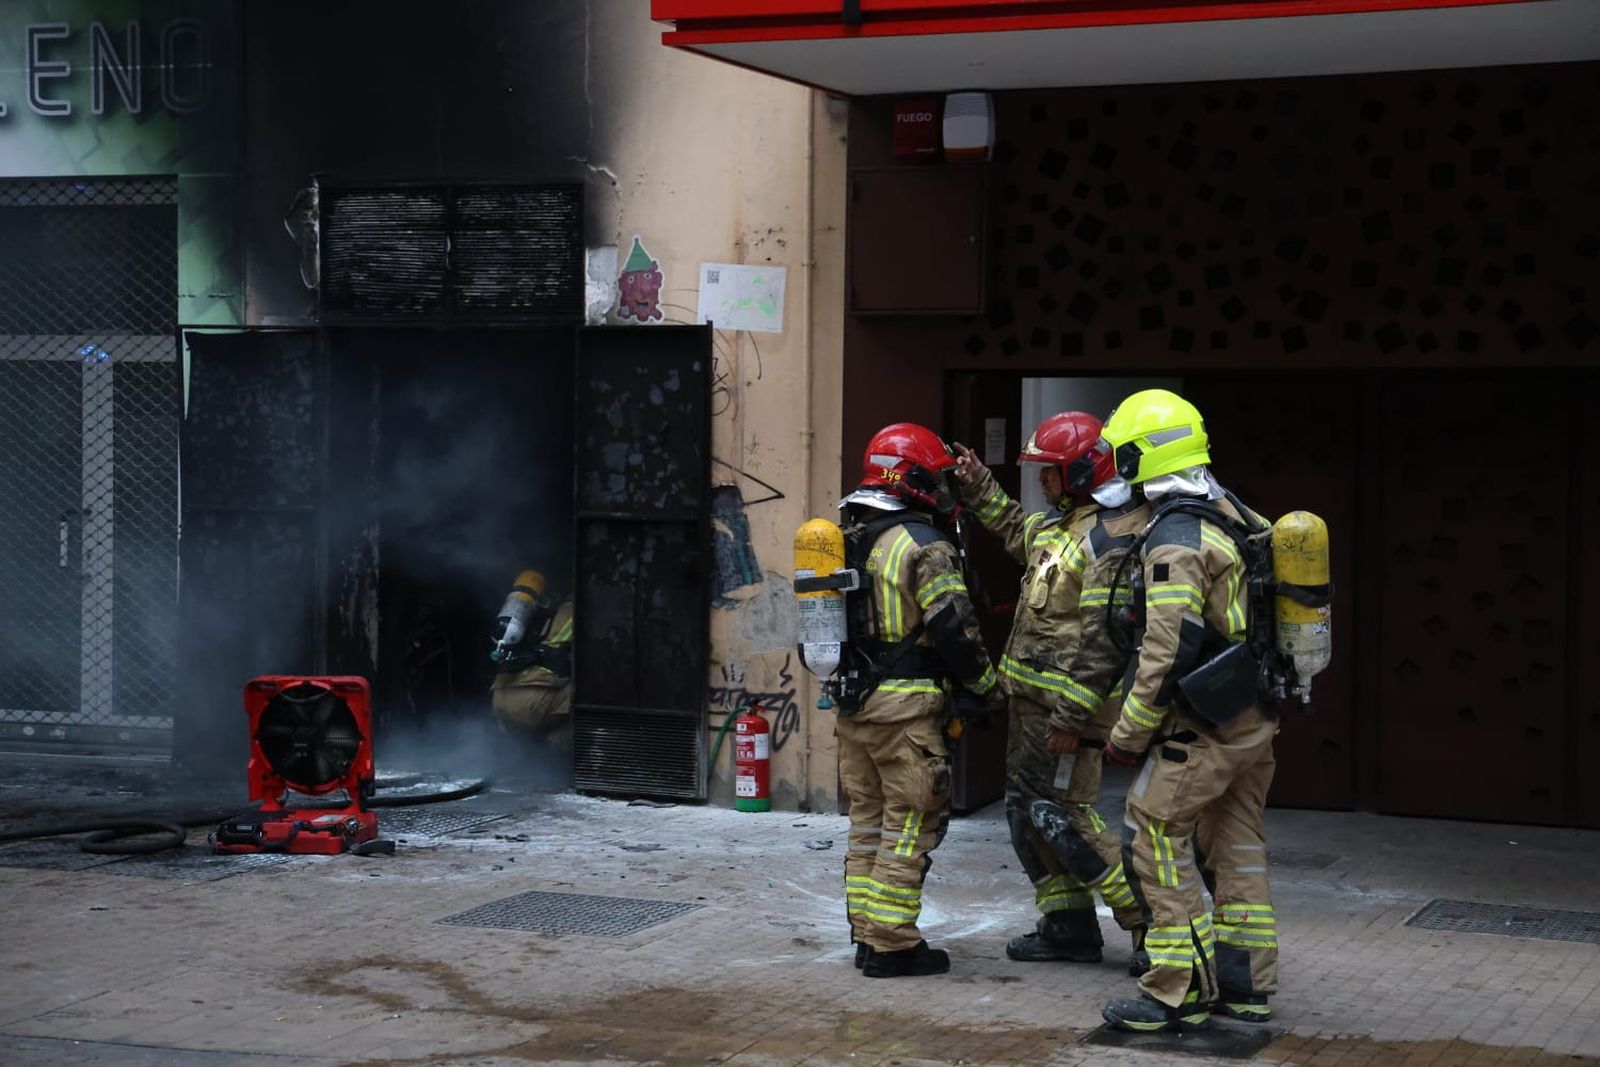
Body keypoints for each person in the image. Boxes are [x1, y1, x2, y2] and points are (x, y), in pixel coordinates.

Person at [1088, 389, 1280, 1033]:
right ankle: (1244, 984)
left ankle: (1177, 991)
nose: (1116, 466)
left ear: (1141, 453)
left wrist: (1127, 733)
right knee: (1236, 844)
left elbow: (1167, 649)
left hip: (1200, 723)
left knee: (1154, 832)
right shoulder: (1234, 512)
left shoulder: (1174, 537)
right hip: (1252, 715)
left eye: (1121, 453)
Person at [948, 414, 1146, 971]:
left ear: (1079, 472)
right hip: (1033, 710)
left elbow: (1103, 640)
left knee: (1067, 817)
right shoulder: (1059, 527)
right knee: (1026, 815)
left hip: (1067, 718)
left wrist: (1072, 716)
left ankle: (1149, 925)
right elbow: (1013, 526)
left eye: (1050, 472)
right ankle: (1068, 926)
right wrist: (977, 481)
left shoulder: (1108, 538)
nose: (1041, 482)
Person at [835, 422, 1002, 979]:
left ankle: (865, 935)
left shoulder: (850, 533)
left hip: (854, 705)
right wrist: (985, 688)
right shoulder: (924, 545)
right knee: (910, 824)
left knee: (868, 822)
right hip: (906, 712)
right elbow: (953, 626)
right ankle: (893, 946)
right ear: (915, 481)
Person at [488, 569, 574, 753]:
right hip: (532, 704)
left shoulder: (532, 613)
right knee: (589, 695)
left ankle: (529, 754)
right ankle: (559, 752)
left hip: (500, 700)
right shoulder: (574, 611)